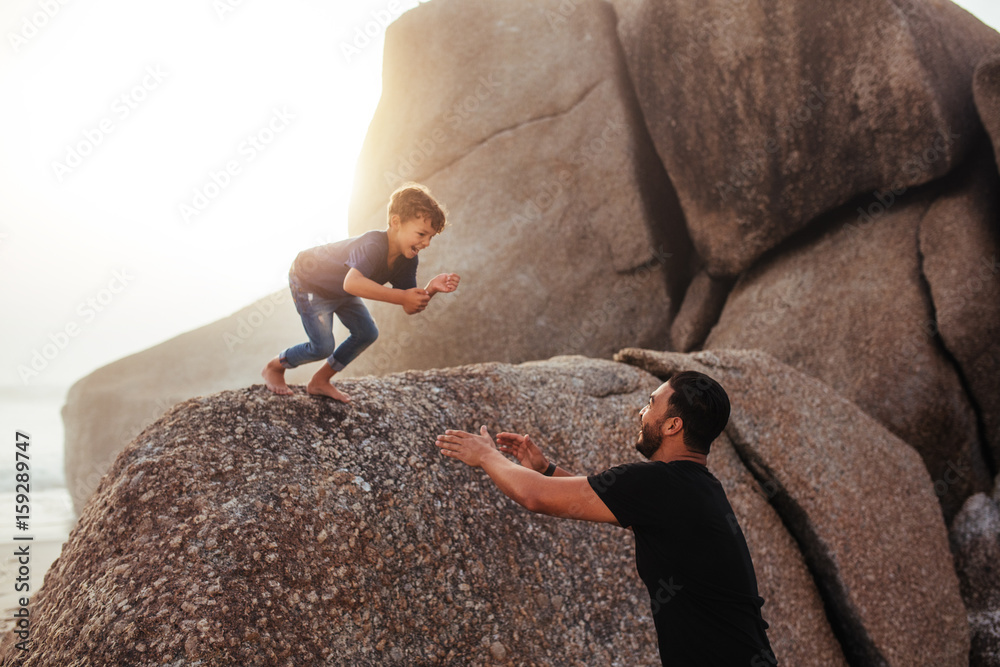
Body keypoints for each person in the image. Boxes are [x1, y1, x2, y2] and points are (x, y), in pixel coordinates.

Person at [434, 371, 776, 666]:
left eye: (651, 404)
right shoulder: (698, 486)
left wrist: (486, 456)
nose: (642, 412)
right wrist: (546, 470)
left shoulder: (660, 482)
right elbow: (602, 498)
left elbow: (533, 496)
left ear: (673, 425)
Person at [262, 183, 460, 403]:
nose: (426, 243)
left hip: (340, 289)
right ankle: (275, 366)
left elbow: (408, 305)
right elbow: (352, 283)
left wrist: (430, 289)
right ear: (396, 222)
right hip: (309, 281)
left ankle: (320, 381)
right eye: (422, 234)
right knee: (322, 347)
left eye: (431, 237)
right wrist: (403, 297)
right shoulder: (373, 244)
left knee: (367, 333)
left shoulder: (407, 260)